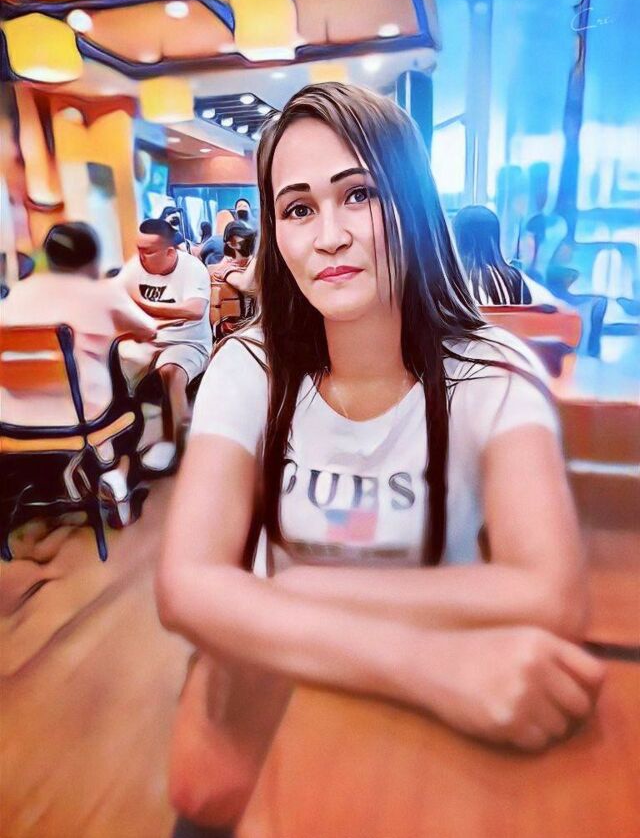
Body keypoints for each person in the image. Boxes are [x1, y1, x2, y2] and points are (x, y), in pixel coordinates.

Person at [157, 83, 604, 828]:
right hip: (292, 703)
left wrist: (299, 591)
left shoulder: (490, 373)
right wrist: (426, 662)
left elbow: (551, 593)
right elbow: (184, 586)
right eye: (298, 209)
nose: (329, 235)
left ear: (412, 201)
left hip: (425, 733)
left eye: (358, 194)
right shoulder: (249, 368)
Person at [2, 221, 156, 427]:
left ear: (49, 258)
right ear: (94, 259)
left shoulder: (19, 291)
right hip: (81, 414)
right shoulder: (103, 292)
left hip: (11, 417)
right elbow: (148, 330)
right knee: (134, 363)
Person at [119, 219, 212, 471]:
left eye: (148, 251)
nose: (141, 256)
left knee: (170, 371)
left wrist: (145, 306)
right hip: (146, 341)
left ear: (170, 252)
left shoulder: (192, 269)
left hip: (188, 342)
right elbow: (115, 298)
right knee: (111, 367)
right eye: (139, 249)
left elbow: (194, 310)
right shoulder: (134, 267)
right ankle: (119, 445)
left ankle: (174, 441)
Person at [453, 205, 563, 307]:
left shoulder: (452, 282)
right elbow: (556, 307)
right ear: (495, 239)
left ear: (456, 239)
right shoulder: (517, 279)